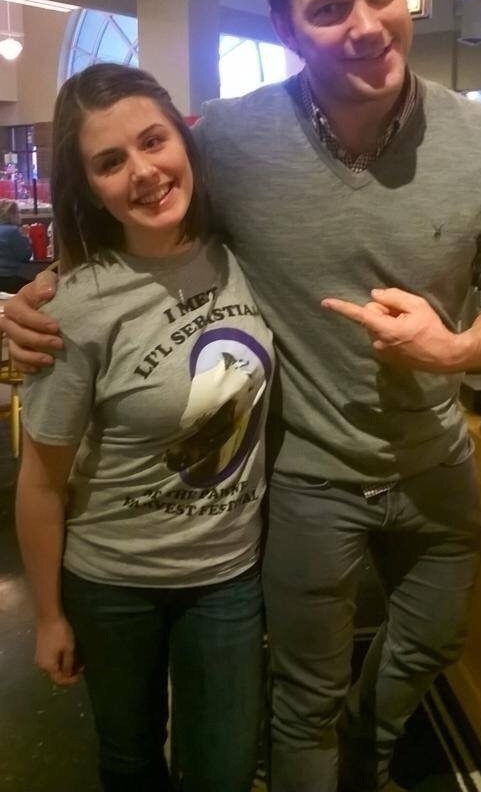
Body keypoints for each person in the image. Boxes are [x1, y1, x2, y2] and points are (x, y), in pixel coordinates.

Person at [4, 0, 481, 792]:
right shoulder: (230, 141)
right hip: (306, 480)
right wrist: (42, 295)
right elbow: (140, 202)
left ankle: (362, 757)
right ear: (288, 30)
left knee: (429, 644)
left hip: (436, 463)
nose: (365, 25)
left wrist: (457, 348)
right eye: (328, 9)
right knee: (300, 697)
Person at [14, 62, 274, 792]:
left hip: (227, 574)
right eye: (110, 162)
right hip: (112, 583)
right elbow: (40, 483)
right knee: (130, 761)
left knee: (224, 768)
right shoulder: (75, 307)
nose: (143, 172)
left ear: (184, 141)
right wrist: (49, 616)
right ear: (89, 187)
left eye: (153, 140)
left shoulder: (243, 255)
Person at [0, 198, 32, 293]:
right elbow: (25, 256)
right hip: (7, 278)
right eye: (18, 212)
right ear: (12, 215)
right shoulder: (13, 231)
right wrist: (25, 237)